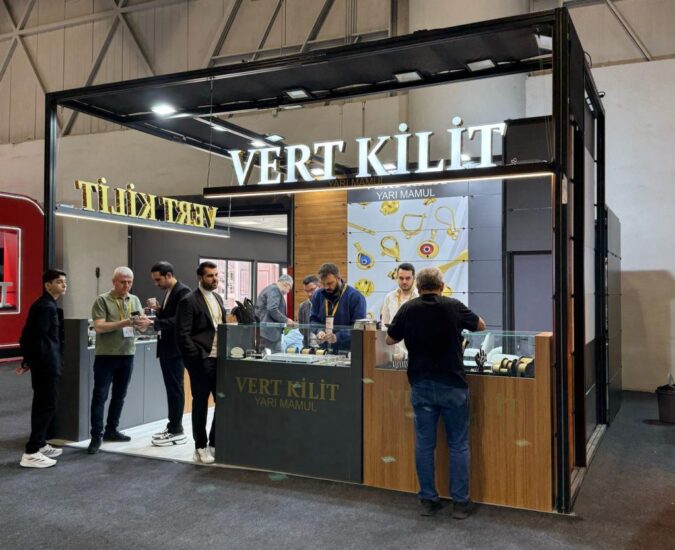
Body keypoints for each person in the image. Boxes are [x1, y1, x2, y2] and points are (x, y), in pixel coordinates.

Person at [385, 267, 486, 519]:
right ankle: (460, 503)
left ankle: (429, 500)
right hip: (452, 383)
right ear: (441, 286)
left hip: (421, 383)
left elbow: (389, 339)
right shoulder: (453, 305)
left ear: (418, 287)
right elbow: (480, 326)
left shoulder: (408, 308)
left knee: (424, 444)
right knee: (458, 444)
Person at [88, 267, 152, 455]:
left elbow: (140, 327)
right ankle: (96, 436)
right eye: (123, 282)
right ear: (114, 281)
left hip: (127, 354)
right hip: (106, 355)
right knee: (100, 396)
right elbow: (99, 327)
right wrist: (125, 323)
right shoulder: (102, 300)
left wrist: (144, 324)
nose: (126, 285)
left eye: (129, 282)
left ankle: (111, 430)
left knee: (119, 395)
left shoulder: (134, 300)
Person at [176, 261, 226, 464]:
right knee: (201, 404)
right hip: (201, 360)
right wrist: (197, 357)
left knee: (223, 402)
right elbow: (182, 334)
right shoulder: (189, 301)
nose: (215, 279)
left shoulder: (218, 298)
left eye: (216, 275)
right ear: (200, 277)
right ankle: (200, 447)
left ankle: (214, 442)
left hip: (219, 358)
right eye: (210, 276)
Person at [17, 269, 67, 468]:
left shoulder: (49, 305)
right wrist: (31, 361)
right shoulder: (44, 306)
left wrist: (29, 361)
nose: (64, 285)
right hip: (46, 364)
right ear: (47, 285)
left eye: (64, 281)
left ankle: (40, 444)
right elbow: (32, 337)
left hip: (47, 363)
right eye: (59, 282)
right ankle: (31, 452)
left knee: (46, 403)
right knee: (45, 405)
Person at [147, 261, 191, 447]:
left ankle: (176, 429)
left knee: (175, 389)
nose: (156, 283)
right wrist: (158, 311)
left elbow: (180, 321)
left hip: (175, 349)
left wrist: (153, 323)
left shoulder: (183, 292)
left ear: (168, 275)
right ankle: (173, 425)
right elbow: (170, 317)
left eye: (158, 280)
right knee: (172, 389)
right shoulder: (170, 292)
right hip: (167, 348)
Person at [310, 263, 366, 352]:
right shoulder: (318, 295)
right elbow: (313, 319)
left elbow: (358, 327)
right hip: (323, 349)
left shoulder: (355, 296)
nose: (326, 287)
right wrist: (319, 331)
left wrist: (338, 337)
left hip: (348, 350)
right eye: (323, 284)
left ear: (338, 278)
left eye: (330, 283)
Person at [254, 274, 297, 352]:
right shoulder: (275, 290)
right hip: (269, 333)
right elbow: (272, 309)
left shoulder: (270, 289)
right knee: (277, 355)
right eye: (289, 289)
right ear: (286, 284)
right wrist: (286, 320)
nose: (288, 292)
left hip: (265, 331)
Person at [298, 274, 319, 347]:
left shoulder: (328, 304)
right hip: (308, 346)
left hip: (324, 346)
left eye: (312, 289)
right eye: (306, 291)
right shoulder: (302, 306)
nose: (309, 294)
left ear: (319, 287)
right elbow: (301, 328)